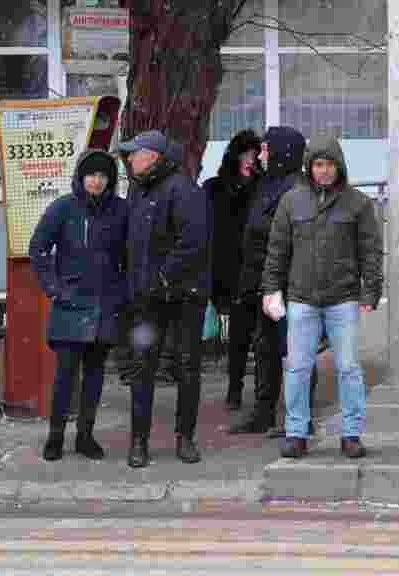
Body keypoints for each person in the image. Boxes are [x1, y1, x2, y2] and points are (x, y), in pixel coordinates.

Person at [262, 134, 384, 459]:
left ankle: (351, 433)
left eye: (329, 164)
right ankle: (296, 433)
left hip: (342, 298)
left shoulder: (358, 203)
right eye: (318, 164)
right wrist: (271, 289)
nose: (324, 171)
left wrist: (370, 290)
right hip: (301, 298)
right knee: (298, 367)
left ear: (339, 167)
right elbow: (277, 251)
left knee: (348, 368)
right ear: (309, 167)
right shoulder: (292, 202)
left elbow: (370, 252)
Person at [29, 149, 128, 462]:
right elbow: (38, 249)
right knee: (65, 375)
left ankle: (86, 435)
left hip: (105, 304)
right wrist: (54, 289)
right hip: (71, 304)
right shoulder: (63, 208)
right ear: (80, 177)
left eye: (102, 175)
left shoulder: (120, 210)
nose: (96, 181)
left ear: (110, 179)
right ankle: (55, 436)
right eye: (91, 174)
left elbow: (132, 254)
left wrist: (123, 291)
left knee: (96, 374)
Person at [119, 130, 208, 468]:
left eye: (134, 154)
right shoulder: (137, 190)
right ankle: (138, 442)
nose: (128, 160)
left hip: (185, 296)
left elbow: (192, 243)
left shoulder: (184, 189)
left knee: (187, 366)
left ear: (153, 157)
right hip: (147, 299)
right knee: (143, 367)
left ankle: (186, 438)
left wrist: (160, 277)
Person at [228, 126, 307, 435]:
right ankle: (264, 411)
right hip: (266, 281)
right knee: (266, 347)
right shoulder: (267, 184)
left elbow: (292, 241)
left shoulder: (296, 190)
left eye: (265, 150)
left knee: (296, 349)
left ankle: (299, 417)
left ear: (281, 153)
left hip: (288, 284)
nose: (259, 155)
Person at [202, 129, 262, 412]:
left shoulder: (263, 186)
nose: (250, 159)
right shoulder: (214, 187)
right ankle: (234, 388)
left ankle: (260, 391)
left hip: (257, 268)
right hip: (226, 270)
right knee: (237, 334)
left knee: (259, 335)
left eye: (254, 154)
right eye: (245, 153)